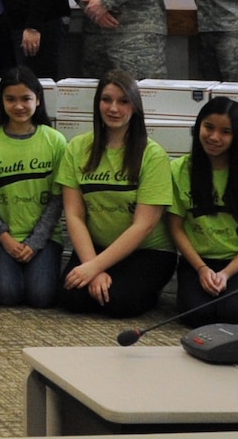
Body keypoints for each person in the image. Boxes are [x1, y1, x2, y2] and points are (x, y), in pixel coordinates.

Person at [55, 70, 175, 317]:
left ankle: (148, 292)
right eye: (106, 99)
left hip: (147, 251)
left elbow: (143, 226)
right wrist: (93, 267)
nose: (113, 108)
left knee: (119, 303)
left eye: (123, 101)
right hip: (96, 247)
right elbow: (74, 215)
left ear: (135, 107)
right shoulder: (77, 148)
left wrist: (93, 268)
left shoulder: (153, 155)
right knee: (72, 299)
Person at [168, 96, 238, 327]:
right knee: (195, 316)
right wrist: (201, 268)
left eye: (226, 132)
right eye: (208, 127)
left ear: (237, 136)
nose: (214, 137)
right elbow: (176, 227)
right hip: (197, 261)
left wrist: (227, 273)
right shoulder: (178, 170)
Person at [0, 67, 68, 309]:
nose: (18, 106)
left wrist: (35, 242)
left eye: (25, 98)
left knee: (41, 297)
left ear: (38, 100)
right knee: (7, 295)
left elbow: (58, 199)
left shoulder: (55, 140)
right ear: (0, 102)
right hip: (0, 238)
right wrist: (4, 238)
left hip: (44, 238)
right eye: (10, 99)